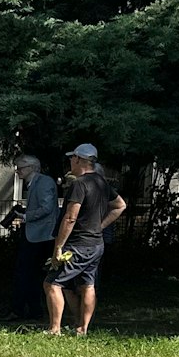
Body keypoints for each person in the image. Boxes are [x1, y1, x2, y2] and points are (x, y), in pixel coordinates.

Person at [46, 142, 125, 336]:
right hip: (96, 244)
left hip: (77, 244)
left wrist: (59, 247)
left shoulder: (79, 184)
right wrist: (100, 226)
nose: (70, 161)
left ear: (79, 160)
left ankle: (54, 329)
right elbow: (120, 205)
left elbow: (70, 217)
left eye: (72, 158)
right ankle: (83, 328)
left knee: (52, 283)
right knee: (88, 285)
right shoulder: (101, 183)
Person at [9, 153, 59, 322]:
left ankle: (29, 311)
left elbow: (46, 208)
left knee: (28, 273)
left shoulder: (43, 182)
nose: (18, 171)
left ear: (32, 168)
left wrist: (25, 216)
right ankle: (30, 310)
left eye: (20, 168)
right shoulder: (33, 184)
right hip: (35, 234)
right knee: (27, 274)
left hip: (41, 236)